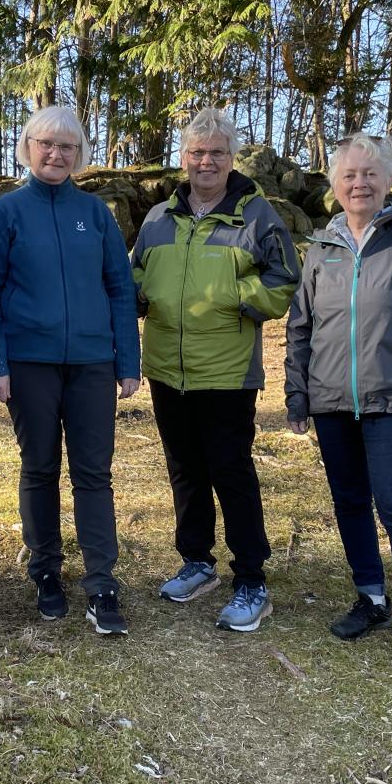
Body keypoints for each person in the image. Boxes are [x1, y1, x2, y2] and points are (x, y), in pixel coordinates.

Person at [284, 132, 392, 677]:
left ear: (388, 182)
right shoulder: (321, 249)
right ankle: (371, 598)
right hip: (332, 400)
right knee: (350, 502)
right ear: (334, 186)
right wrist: (298, 394)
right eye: (348, 176)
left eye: (369, 175)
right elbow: (300, 327)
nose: (359, 183)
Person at [0, 105, 140, 636]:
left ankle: (101, 581)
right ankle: (45, 569)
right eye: (46, 144)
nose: (56, 154)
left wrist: (128, 362)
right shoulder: (6, 213)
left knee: (94, 473)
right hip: (28, 363)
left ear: (79, 154)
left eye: (67, 147)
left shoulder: (95, 213)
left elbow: (119, 288)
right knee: (40, 467)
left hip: (93, 364)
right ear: (28, 148)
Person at [132, 108, 300, 632]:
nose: (206, 161)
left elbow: (284, 280)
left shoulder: (257, 216)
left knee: (231, 470)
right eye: (197, 153)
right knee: (184, 468)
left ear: (232, 158)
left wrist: (234, 295)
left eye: (217, 153)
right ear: (184, 159)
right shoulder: (159, 217)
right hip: (166, 367)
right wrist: (140, 297)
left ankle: (250, 577)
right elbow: (135, 275)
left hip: (227, 371)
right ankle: (196, 560)